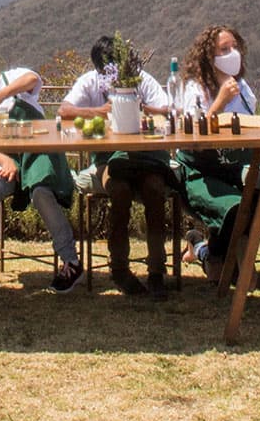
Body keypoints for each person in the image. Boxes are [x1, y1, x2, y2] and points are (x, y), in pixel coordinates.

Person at [0, 42, 82, 295]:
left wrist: (2, 94)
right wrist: (3, 160)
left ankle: (71, 261)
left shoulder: (12, 78)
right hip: (4, 160)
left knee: (41, 193)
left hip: (37, 155)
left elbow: (32, 79)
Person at [58, 34, 174, 299]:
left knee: (154, 189)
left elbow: (167, 108)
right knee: (119, 190)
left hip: (146, 157)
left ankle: (157, 270)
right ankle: (119, 268)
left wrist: (141, 108)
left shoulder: (141, 80)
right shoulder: (90, 82)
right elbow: (65, 110)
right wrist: (101, 111)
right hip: (108, 159)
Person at [174, 26, 260, 281]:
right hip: (200, 172)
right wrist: (220, 101)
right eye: (224, 49)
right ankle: (215, 257)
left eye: (234, 47)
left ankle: (207, 253)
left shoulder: (243, 89)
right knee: (234, 207)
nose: (232, 53)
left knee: (255, 202)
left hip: (235, 169)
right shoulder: (194, 89)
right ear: (208, 56)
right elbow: (193, 137)